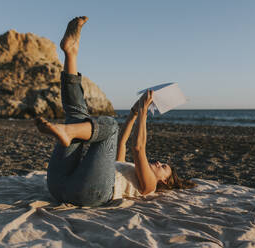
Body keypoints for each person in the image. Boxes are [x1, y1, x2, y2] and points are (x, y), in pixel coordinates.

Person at [36, 16, 195, 207]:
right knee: (78, 117)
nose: (159, 162)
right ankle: (71, 53)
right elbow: (122, 143)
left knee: (110, 124)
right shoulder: (127, 168)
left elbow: (138, 148)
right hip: (58, 185)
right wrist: (134, 112)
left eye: (163, 167)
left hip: (89, 193)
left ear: (164, 181)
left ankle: (69, 131)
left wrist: (144, 111)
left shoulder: (150, 186)